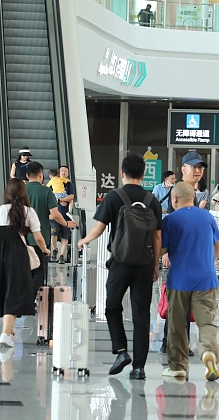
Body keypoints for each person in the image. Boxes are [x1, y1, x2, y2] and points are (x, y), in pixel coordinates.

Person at [78, 154, 162, 380]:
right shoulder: (152, 200)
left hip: (120, 263)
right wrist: (155, 265)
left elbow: (98, 228)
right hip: (144, 264)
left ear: (122, 173)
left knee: (112, 306)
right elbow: (157, 238)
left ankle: (121, 351)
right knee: (141, 315)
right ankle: (139, 368)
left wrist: (84, 240)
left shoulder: (114, 196)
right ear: (143, 175)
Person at [0, 179, 49, 348]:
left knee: (2, 290)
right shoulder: (28, 212)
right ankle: (5, 333)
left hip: (1, 255)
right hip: (19, 256)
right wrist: (45, 249)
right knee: (15, 293)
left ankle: (8, 331)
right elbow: (37, 237)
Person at [160, 182, 219, 381]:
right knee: (206, 323)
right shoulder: (207, 216)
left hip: (179, 280)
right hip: (206, 278)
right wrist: (207, 264)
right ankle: (208, 353)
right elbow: (218, 245)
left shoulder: (170, 219)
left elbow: (162, 250)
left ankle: (177, 366)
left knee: (177, 323)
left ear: (174, 199)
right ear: (193, 197)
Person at [24, 162, 77, 292]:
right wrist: (66, 223)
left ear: (27, 175)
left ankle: (23, 299)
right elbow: (54, 213)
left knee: (24, 270)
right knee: (39, 271)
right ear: (41, 175)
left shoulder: (20, 190)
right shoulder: (46, 191)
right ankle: (31, 298)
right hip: (41, 237)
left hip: (21, 237)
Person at [50, 165, 75, 264]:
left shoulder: (69, 184)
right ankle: (55, 249)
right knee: (53, 234)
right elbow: (49, 196)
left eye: (65, 171)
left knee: (65, 236)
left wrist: (60, 200)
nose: (63, 172)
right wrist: (58, 201)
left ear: (68, 173)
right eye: (61, 170)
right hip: (54, 213)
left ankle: (61, 256)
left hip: (65, 215)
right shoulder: (53, 182)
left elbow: (71, 197)